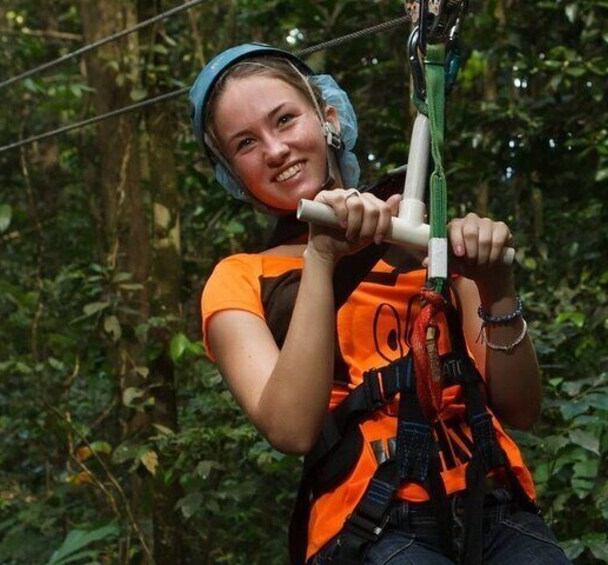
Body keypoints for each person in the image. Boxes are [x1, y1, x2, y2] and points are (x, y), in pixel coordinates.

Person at [190, 43, 570, 564]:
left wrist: (496, 287)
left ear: (326, 117)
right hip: (370, 525)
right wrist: (322, 257)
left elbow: (521, 409)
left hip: (495, 505)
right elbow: (291, 428)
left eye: (285, 120)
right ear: (233, 174)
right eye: (246, 143)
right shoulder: (240, 279)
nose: (275, 150)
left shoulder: (416, 236)